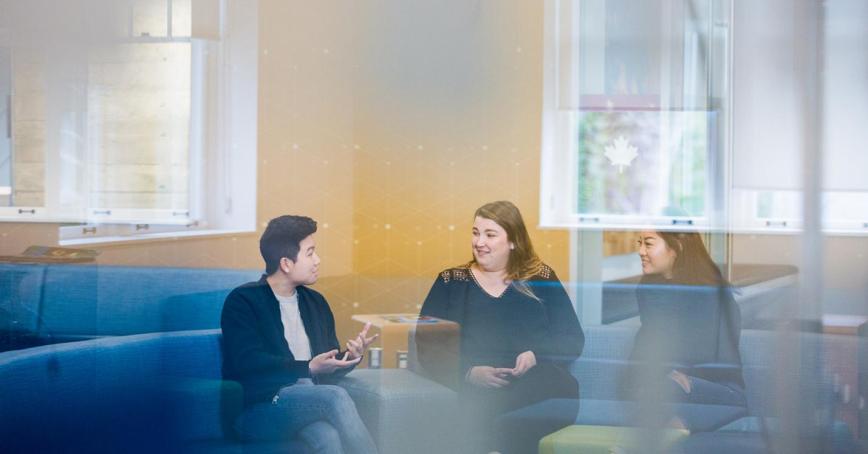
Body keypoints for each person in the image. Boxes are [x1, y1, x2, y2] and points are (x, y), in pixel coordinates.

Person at [418, 201, 585, 453]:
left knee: (561, 386)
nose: (479, 242)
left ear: (513, 241)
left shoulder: (541, 277)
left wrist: (535, 355)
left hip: (533, 384)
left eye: (490, 234)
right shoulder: (450, 281)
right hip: (473, 387)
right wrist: (469, 372)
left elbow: (572, 338)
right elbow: (428, 345)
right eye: (475, 233)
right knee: (479, 406)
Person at [221, 215, 379, 454]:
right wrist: (308, 368)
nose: (318, 260)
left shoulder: (315, 302)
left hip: (309, 401)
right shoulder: (243, 301)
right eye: (310, 253)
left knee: (329, 437)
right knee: (335, 397)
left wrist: (350, 357)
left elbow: (325, 361)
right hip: (260, 407)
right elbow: (248, 363)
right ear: (286, 263)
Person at [621, 230, 745, 411]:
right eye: (639, 243)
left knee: (668, 393)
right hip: (670, 385)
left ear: (677, 247)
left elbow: (709, 358)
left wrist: (671, 375)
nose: (641, 251)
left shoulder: (708, 292)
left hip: (717, 387)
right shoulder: (648, 289)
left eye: (648, 244)